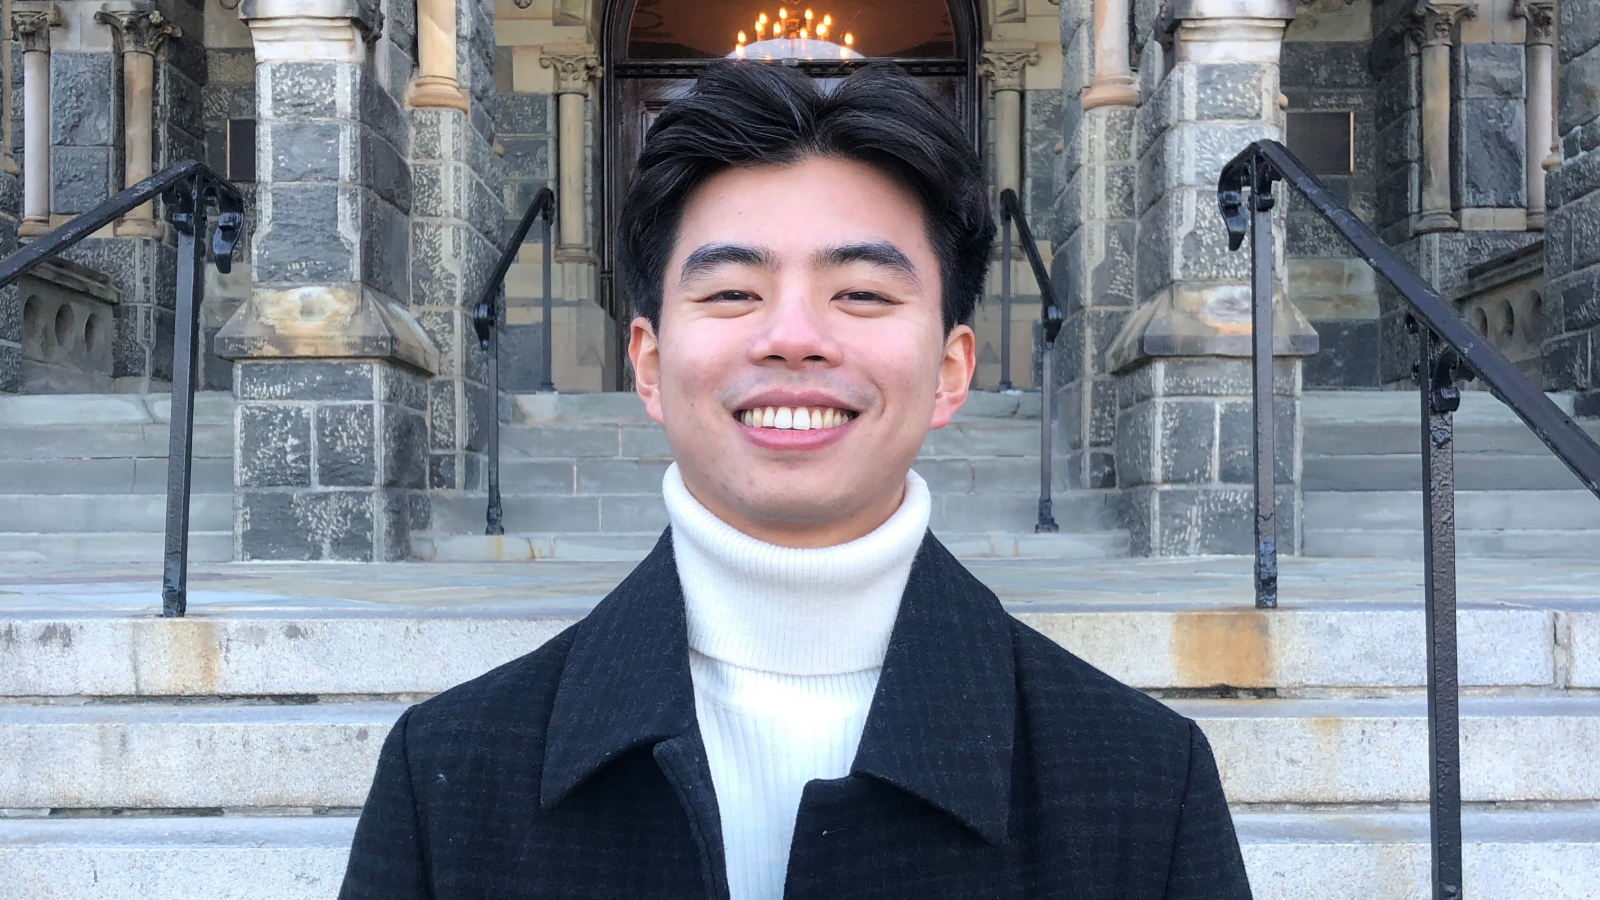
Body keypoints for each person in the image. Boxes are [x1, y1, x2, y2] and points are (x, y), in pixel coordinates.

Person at [338, 61, 1251, 900]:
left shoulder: (1140, 782)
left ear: (950, 369)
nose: (793, 334)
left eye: (861, 292)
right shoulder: (449, 778)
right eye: (732, 291)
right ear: (648, 365)